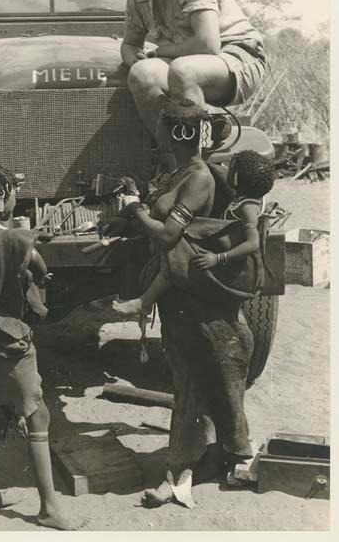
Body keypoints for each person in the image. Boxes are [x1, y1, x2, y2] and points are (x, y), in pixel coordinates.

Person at [100, 112, 266, 509]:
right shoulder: (179, 172)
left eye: (161, 128)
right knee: (195, 377)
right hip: (183, 298)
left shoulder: (199, 178)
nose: (154, 134)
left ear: (178, 134)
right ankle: (217, 457)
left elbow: (169, 234)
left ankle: (182, 469)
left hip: (198, 300)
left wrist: (136, 208)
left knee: (195, 379)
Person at [0, 164, 82, 530]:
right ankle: (48, 508)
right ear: (2, 199)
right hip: (4, 333)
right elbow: (39, 267)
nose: (16, 196)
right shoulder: (16, 241)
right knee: (36, 412)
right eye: (12, 190)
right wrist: (37, 274)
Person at [111, 0, 266, 172]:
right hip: (183, 62)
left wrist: (159, 52)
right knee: (142, 74)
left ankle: (198, 166)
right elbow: (129, 45)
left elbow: (207, 44)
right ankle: (174, 166)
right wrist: (134, 60)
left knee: (184, 71)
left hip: (237, 58)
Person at [113, 148, 274, 317]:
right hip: (220, 250)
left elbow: (252, 243)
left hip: (226, 261)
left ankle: (144, 302)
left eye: (230, 168)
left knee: (176, 258)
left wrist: (218, 258)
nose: (225, 169)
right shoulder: (240, 199)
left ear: (235, 178)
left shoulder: (247, 207)